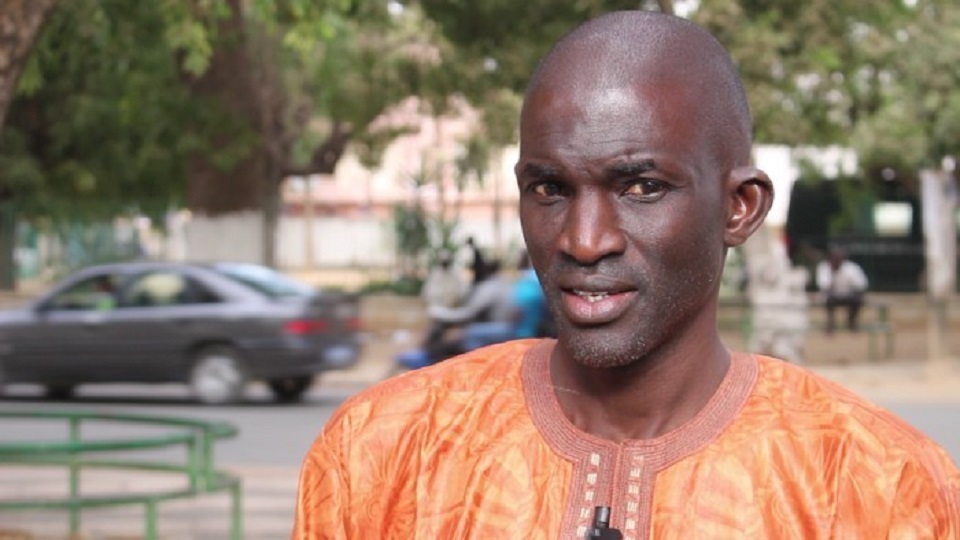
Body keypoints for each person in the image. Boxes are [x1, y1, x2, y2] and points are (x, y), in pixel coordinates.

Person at [294, 11, 959, 538]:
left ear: (739, 207)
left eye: (642, 187)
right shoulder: (381, 450)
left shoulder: (879, 485)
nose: (584, 241)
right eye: (549, 188)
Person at [816, 245, 869, 333]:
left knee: (858, 298)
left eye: (838, 258)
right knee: (827, 298)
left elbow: (861, 284)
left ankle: (852, 322)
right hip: (832, 296)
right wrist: (833, 273)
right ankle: (830, 323)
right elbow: (823, 285)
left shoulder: (851, 268)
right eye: (834, 258)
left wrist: (852, 282)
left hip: (849, 294)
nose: (836, 261)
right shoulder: (824, 267)